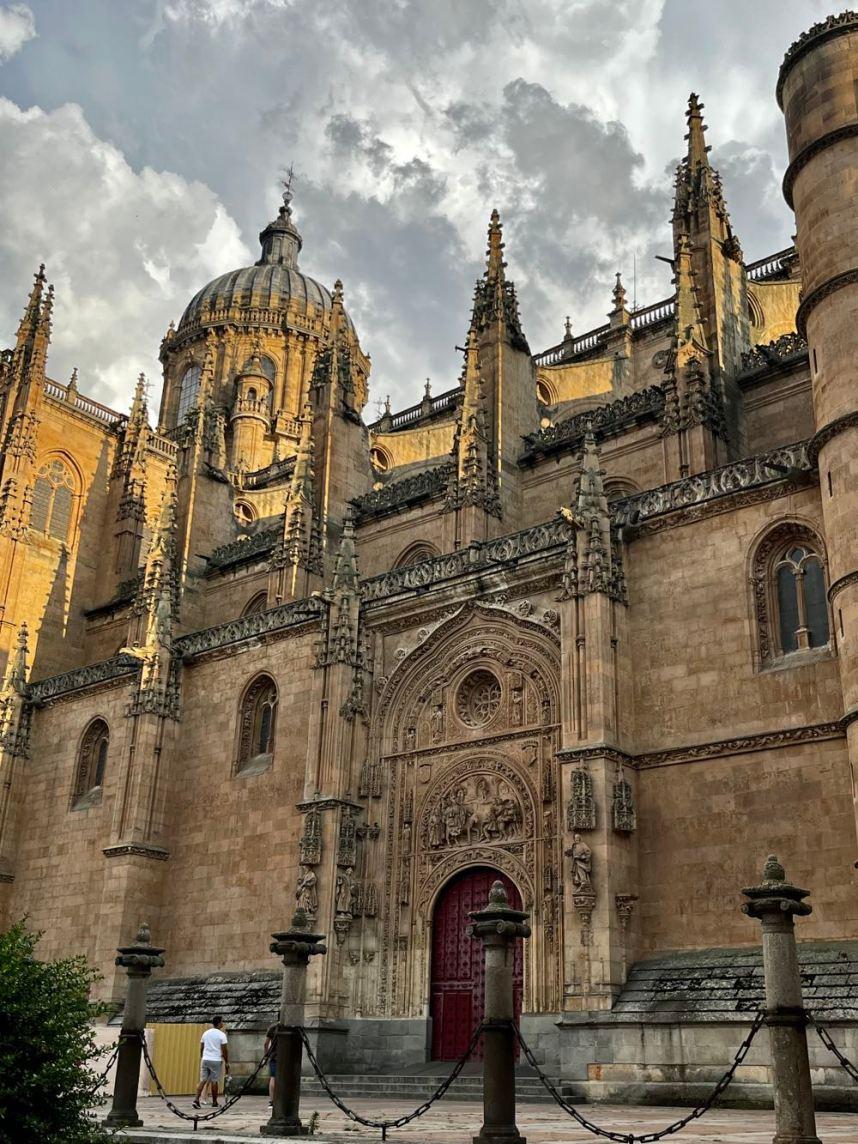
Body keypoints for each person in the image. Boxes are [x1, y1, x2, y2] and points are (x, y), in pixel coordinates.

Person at [192, 1016, 229, 1109]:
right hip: (216, 1060)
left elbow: (201, 1046)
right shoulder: (222, 1035)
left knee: (202, 1080)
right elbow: (224, 1050)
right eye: (222, 1022)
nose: (223, 1023)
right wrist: (227, 1061)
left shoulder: (206, 1033)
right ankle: (214, 1102)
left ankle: (196, 1100)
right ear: (219, 1023)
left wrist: (202, 1056)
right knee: (214, 1081)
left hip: (205, 1059)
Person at [264, 1021, 279, 1107]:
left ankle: (272, 1101)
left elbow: (266, 1043)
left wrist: (266, 1055)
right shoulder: (290, 1026)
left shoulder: (272, 1027)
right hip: (286, 1056)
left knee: (273, 1077)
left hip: (274, 1055)